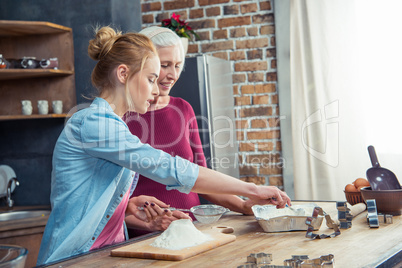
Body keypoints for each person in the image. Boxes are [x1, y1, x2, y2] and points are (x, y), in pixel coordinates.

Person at [37, 26, 291, 266]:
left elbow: (92, 197)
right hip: (72, 259)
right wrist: (253, 189)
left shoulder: (114, 125)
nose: (156, 90)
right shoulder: (93, 122)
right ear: (123, 74)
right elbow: (169, 167)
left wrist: (126, 206)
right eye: (151, 79)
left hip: (105, 254)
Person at [124, 26, 285, 236]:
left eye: (177, 65)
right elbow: (113, 201)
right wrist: (145, 222)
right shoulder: (121, 117)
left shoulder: (183, 109)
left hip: (191, 228)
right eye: (164, 65)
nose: (172, 74)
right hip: (145, 234)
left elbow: (200, 179)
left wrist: (244, 205)